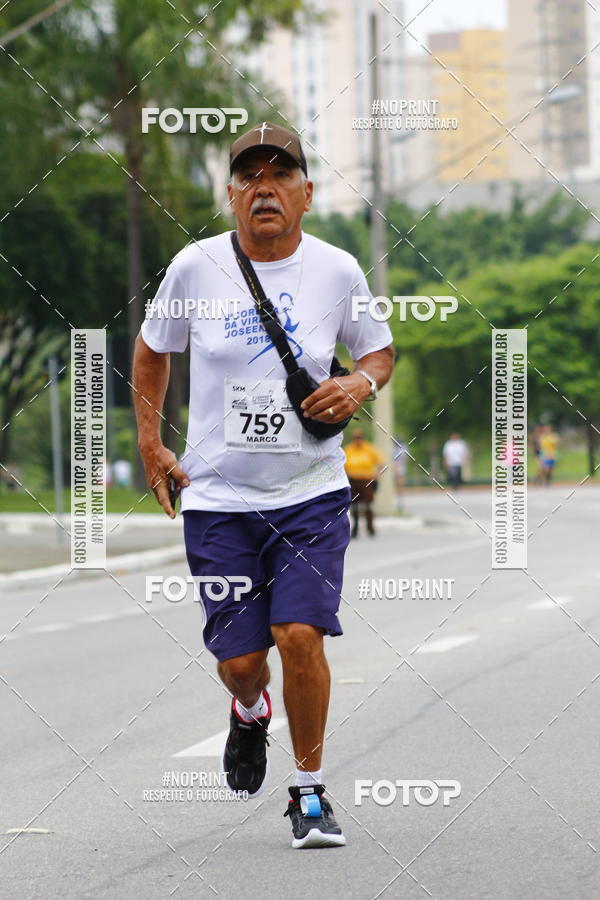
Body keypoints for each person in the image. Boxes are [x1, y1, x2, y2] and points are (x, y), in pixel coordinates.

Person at [133, 121, 394, 848]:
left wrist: (357, 383)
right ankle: (249, 710)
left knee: (299, 633)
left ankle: (308, 793)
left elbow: (378, 351)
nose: (265, 189)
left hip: (311, 493)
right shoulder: (194, 267)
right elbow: (153, 350)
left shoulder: (338, 270)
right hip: (218, 501)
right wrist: (151, 443)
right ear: (231, 195)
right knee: (243, 661)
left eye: (280, 176)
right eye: (250, 177)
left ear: (306, 194)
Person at [344, 429, 384, 536]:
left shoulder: (369, 449)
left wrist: (377, 474)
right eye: (355, 438)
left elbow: (380, 462)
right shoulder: (348, 450)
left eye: (359, 438)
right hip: (353, 480)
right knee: (355, 505)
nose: (358, 440)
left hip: (367, 480)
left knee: (368, 505)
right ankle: (355, 529)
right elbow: (342, 464)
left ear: (363, 438)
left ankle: (370, 528)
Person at [392, 436, 408, 509]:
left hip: (400, 467)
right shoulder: (393, 449)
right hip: (394, 467)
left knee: (400, 484)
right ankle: (398, 499)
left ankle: (400, 500)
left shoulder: (403, 448)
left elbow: (406, 459)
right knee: (397, 484)